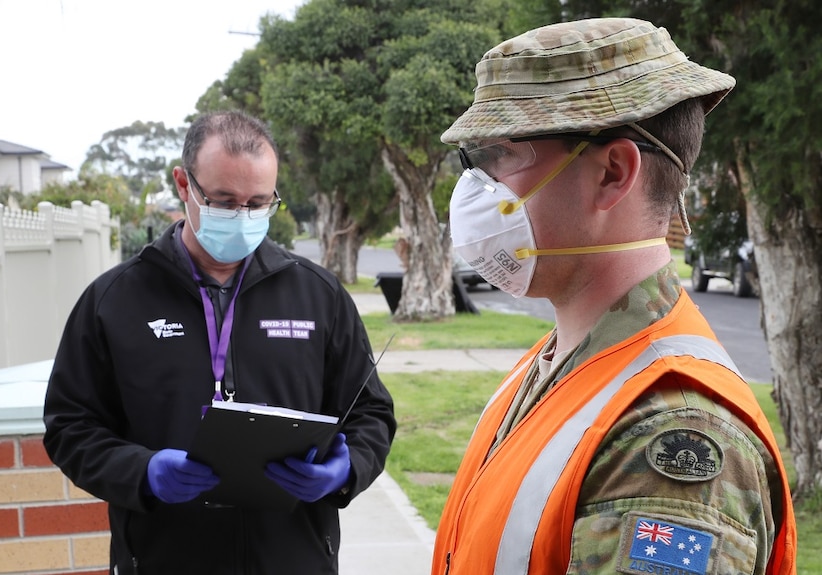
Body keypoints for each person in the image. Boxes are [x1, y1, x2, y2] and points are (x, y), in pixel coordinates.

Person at [434, 18, 796, 575]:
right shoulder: (564, 361)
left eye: (502, 154)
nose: (477, 184)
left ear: (612, 172)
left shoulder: (672, 438)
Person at [43, 111, 396, 574]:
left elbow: (371, 414)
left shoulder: (318, 294)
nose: (242, 217)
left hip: (294, 557)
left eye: (259, 203)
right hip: (164, 558)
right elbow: (70, 426)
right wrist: (142, 471)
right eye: (224, 201)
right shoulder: (114, 300)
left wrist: (346, 469)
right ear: (183, 185)